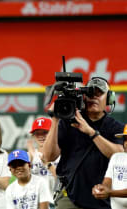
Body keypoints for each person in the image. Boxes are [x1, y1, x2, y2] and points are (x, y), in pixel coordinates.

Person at [43, 77, 124, 209]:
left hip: (104, 201)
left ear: (109, 99)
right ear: (84, 97)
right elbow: (48, 156)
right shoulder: (68, 122)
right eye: (90, 93)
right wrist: (56, 119)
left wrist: (91, 132)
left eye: (99, 93)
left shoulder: (116, 127)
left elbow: (120, 154)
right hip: (70, 198)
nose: (93, 97)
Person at [92, 124, 127, 209]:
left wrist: (110, 193)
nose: (126, 143)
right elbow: (108, 180)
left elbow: (110, 192)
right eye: (125, 139)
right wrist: (102, 188)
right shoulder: (117, 157)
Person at [27, 117, 59, 208]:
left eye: (45, 132)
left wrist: (47, 164)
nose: (41, 136)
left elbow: (63, 181)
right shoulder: (29, 156)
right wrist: (28, 163)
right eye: (37, 133)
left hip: (57, 202)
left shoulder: (61, 155)